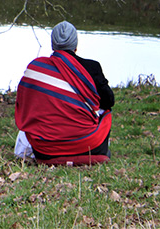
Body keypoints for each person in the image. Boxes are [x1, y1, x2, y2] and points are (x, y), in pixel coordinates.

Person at [14, 21, 114, 164]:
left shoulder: (37, 68)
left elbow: (23, 105)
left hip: (45, 148)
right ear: (76, 45)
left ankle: (33, 152)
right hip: (86, 143)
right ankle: (92, 149)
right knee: (104, 111)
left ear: (53, 44)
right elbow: (109, 102)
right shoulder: (92, 67)